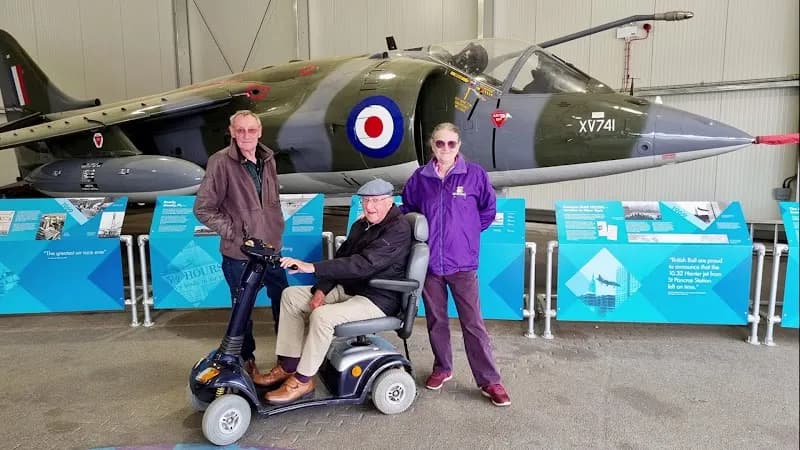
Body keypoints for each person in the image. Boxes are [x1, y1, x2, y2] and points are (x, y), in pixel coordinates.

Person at [255, 178, 413, 404]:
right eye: (366, 201)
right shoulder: (362, 224)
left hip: (378, 297)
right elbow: (343, 259)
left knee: (322, 316)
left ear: (390, 202)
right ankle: (289, 366)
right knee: (290, 296)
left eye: (376, 201)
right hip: (349, 288)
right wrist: (321, 289)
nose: (370, 206)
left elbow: (363, 264)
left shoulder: (398, 230)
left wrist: (312, 267)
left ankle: (303, 379)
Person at [400, 122, 511, 407]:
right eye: (440, 144)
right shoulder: (419, 178)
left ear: (459, 146)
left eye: (451, 144)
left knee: (473, 323)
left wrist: (468, 234)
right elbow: (409, 211)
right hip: (431, 267)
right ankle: (443, 368)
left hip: (462, 264)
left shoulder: (474, 175)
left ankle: (489, 381)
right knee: (437, 320)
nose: (445, 149)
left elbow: (487, 210)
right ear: (432, 146)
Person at [194, 109, 288, 379]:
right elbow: (203, 208)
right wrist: (237, 233)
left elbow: (271, 201)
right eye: (241, 130)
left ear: (259, 132)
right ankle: (246, 361)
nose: (246, 135)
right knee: (242, 310)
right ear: (232, 132)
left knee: (285, 304)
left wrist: (276, 227)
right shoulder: (220, 162)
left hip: (271, 250)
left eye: (251, 130)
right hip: (240, 253)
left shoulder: (268, 159)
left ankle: (287, 361)